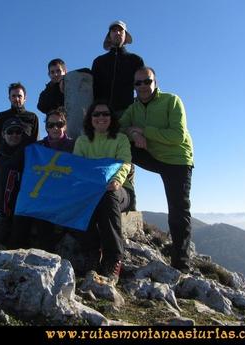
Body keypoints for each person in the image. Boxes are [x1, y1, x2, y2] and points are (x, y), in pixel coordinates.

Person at [119, 66, 194, 273]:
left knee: (178, 210)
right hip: (152, 156)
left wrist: (143, 131)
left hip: (177, 160)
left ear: (155, 82)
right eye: (138, 83)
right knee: (119, 145)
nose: (143, 86)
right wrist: (134, 135)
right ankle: (121, 191)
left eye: (147, 81)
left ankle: (181, 265)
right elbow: (119, 128)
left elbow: (177, 136)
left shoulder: (171, 100)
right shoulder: (133, 108)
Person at [0, 107, 75, 247]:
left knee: (45, 234)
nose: (55, 128)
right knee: (18, 230)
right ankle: (6, 226)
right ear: (46, 128)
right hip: (37, 197)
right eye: (51, 125)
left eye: (59, 124)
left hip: (60, 197)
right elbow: (12, 165)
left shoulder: (74, 146)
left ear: (65, 125)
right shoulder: (37, 147)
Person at [73, 101, 135, 281]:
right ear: (90, 119)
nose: (101, 117)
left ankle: (113, 259)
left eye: (105, 114)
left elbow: (125, 163)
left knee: (107, 196)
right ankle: (92, 253)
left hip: (120, 190)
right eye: (96, 114)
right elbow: (78, 166)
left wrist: (116, 181)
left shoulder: (120, 139)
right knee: (80, 202)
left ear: (111, 117)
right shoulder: (83, 141)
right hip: (91, 190)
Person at [91, 20, 144, 117]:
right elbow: (92, 85)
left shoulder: (136, 60)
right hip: (102, 116)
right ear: (109, 36)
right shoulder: (98, 62)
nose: (117, 33)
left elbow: (143, 85)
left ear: (125, 36)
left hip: (127, 114)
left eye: (121, 30)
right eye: (114, 30)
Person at [0, 82, 39, 156]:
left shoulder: (32, 117)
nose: (16, 99)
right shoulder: (1, 116)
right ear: (9, 98)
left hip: (26, 160)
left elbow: (35, 141)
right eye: (13, 96)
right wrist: (7, 157)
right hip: (5, 161)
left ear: (25, 98)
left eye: (19, 96)